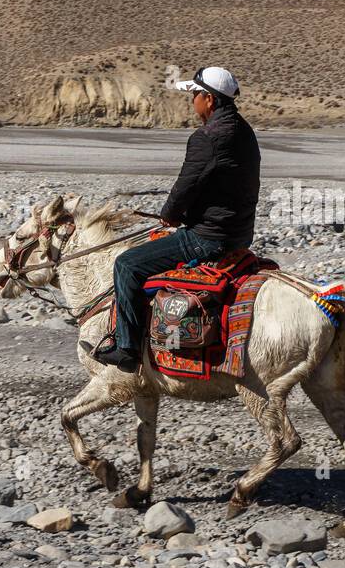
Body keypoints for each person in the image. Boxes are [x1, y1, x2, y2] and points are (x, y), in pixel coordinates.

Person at [86, 67, 261, 372]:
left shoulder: (207, 137)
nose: (192, 101)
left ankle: (126, 349)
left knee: (126, 264)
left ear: (209, 99)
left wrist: (170, 215)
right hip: (239, 234)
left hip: (207, 238)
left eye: (195, 95)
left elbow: (186, 185)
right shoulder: (244, 131)